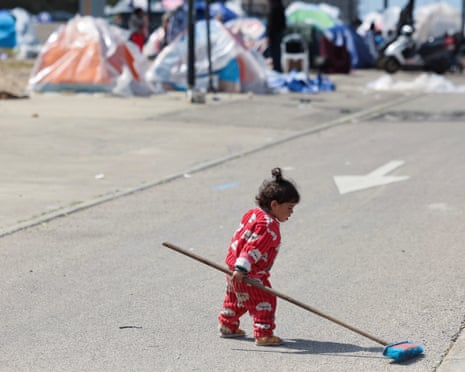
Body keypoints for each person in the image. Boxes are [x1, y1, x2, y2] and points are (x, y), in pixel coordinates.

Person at [218, 167, 300, 346]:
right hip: (249, 271)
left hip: (231, 266)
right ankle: (263, 333)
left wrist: (236, 267)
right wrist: (242, 268)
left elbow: (241, 239)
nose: (291, 213)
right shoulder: (268, 227)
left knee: (237, 298)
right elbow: (252, 248)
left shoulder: (253, 214)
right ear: (274, 205)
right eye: (289, 208)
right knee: (265, 300)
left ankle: (228, 325)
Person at [265, 0, 286, 72]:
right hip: (277, 33)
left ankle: (277, 70)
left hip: (274, 34)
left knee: (275, 53)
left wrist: (268, 34)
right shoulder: (279, 6)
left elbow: (271, 24)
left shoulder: (274, 7)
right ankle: (277, 69)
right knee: (276, 53)